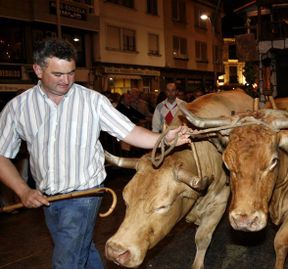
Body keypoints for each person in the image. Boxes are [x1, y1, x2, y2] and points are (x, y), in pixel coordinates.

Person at [0, 38, 190, 269]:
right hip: (47, 198)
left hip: (84, 196)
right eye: (58, 74)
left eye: (71, 73)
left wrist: (164, 139)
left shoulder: (92, 101)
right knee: (82, 249)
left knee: (66, 261)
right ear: (38, 70)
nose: (66, 80)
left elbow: (129, 132)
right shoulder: (18, 107)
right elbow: (1, 154)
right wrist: (23, 190)